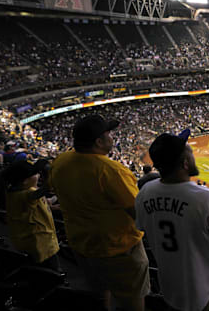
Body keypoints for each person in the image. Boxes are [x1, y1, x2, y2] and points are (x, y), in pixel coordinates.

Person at [50, 115, 149, 311]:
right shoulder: (111, 170)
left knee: (100, 293)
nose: (113, 137)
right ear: (99, 142)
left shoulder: (61, 161)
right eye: (109, 134)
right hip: (118, 249)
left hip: (82, 245)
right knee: (133, 299)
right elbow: (139, 213)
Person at [136, 130, 209, 311]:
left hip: (170, 287)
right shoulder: (206, 198)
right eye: (190, 152)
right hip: (206, 288)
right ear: (185, 163)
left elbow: (141, 227)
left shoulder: (145, 192)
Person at [4, 160, 61, 271]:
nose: (38, 175)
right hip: (39, 241)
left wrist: (55, 199)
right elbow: (41, 192)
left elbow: (42, 201)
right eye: (35, 174)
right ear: (25, 181)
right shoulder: (22, 195)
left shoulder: (18, 191)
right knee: (50, 269)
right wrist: (54, 176)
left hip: (34, 239)